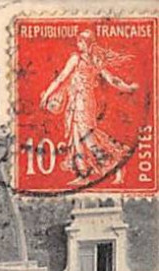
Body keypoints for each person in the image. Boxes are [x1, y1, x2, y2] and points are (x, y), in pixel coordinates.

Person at [39, 30, 138, 185]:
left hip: (84, 101)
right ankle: (83, 173)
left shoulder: (85, 60)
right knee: (76, 136)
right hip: (75, 101)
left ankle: (113, 163)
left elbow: (110, 78)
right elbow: (62, 78)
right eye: (78, 42)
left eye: (81, 42)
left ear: (88, 43)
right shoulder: (83, 59)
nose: (78, 45)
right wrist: (128, 87)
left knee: (87, 135)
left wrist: (128, 87)